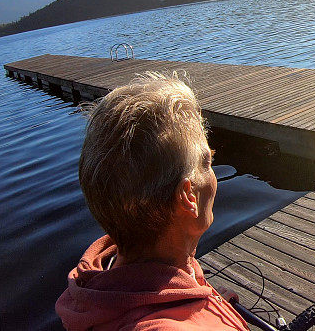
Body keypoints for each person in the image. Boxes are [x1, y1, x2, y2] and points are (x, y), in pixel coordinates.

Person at [56, 72, 249, 330]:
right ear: (188, 198)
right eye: (207, 161)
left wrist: (212, 306)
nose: (213, 174)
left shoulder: (101, 280)